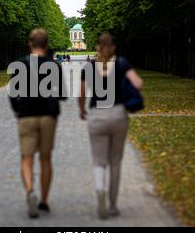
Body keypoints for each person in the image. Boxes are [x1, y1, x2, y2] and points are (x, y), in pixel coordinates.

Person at [79, 33, 144, 220]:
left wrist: (81, 110)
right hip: (118, 114)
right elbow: (138, 83)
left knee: (99, 160)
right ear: (114, 47)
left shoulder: (89, 66)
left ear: (97, 47)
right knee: (115, 161)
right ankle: (113, 204)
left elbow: (82, 93)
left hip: (97, 115)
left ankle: (100, 189)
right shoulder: (122, 63)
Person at [9, 29, 66, 219]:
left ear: (30, 43)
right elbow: (62, 95)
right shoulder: (54, 65)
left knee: (27, 158)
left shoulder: (19, 64)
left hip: (26, 115)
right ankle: (44, 200)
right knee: (46, 158)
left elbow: (12, 93)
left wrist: (18, 110)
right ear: (47, 44)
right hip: (48, 116)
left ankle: (30, 191)